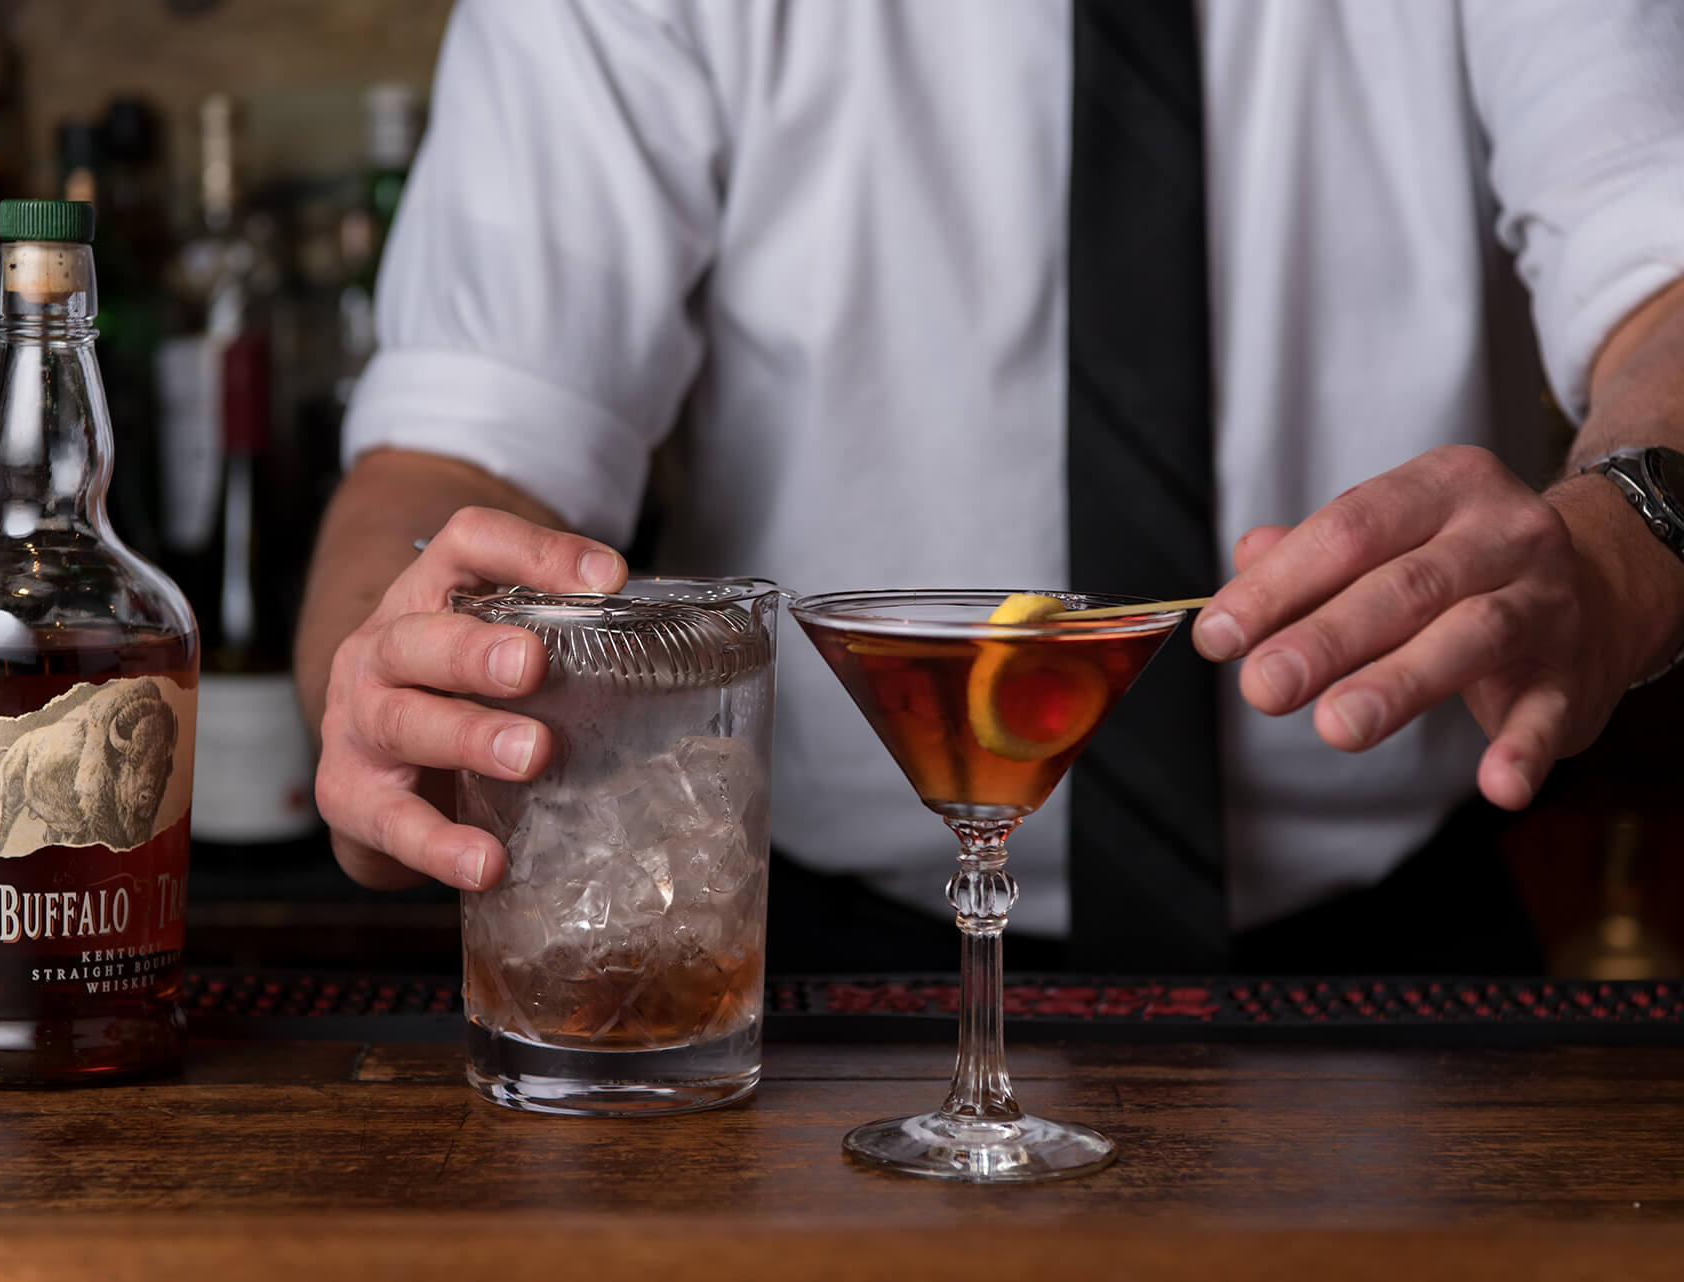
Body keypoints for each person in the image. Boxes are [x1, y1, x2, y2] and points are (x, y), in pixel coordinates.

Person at [294, 0, 1684, 974]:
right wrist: (398, 669)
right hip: (815, 970)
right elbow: (452, 458)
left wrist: (1626, 545)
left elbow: (1665, 290)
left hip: (1392, 945)